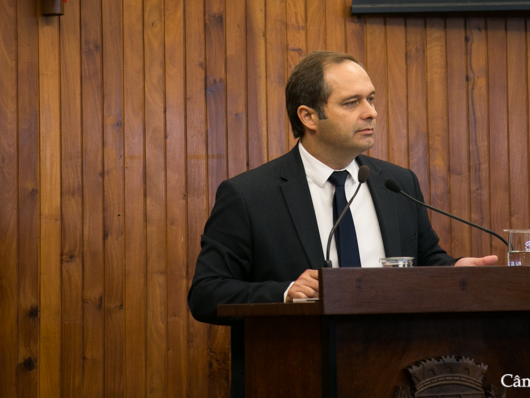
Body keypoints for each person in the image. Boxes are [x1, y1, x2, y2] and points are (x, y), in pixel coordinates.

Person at [188, 50, 497, 397]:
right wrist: (286, 293)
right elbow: (206, 293)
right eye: (352, 102)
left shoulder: (396, 184)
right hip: (295, 376)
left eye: (371, 99)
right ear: (308, 116)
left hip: (396, 375)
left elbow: (425, 260)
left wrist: (454, 271)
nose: (371, 112)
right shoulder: (249, 195)